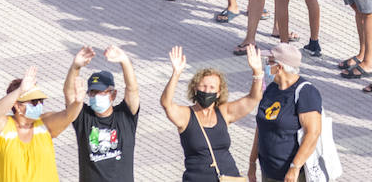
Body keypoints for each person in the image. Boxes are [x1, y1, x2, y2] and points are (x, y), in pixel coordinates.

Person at [163, 45, 262, 182]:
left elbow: (253, 98)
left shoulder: (224, 112)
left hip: (229, 177)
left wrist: (257, 72)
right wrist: (176, 74)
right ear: (195, 88)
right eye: (203, 86)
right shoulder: (186, 116)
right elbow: (166, 104)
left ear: (219, 93)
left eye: (212, 88)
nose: (207, 91)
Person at [63, 45, 139, 181]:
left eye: (101, 92)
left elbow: (132, 89)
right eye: (93, 92)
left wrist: (124, 61)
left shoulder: (125, 116)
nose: (96, 96)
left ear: (113, 94)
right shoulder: (84, 117)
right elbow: (69, 94)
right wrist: (76, 67)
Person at [249, 45, 322, 182]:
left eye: (269, 62)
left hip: (293, 175)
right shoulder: (272, 89)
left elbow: (313, 133)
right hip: (268, 171)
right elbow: (261, 127)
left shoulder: (306, 93)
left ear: (279, 67)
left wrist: (295, 167)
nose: (266, 66)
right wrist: (252, 161)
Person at [0, 67, 74, 181]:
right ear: (17, 105)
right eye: (33, 102)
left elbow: (69, 115)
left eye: (40, 101)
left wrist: (77, 101)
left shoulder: (44, 123)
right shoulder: (4, 127)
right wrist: (20, 90)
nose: (39, 104)